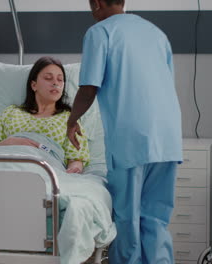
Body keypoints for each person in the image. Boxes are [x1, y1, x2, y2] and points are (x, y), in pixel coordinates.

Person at [66, 0, 183, 263]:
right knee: (155, 218)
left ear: (96, 3)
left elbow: (88, 88)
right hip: (167, 135)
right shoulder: (156, 33)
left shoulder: (100, 32)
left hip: (132, 138)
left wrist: (71, 120)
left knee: (127, 218)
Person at [0, 56, 90, 173]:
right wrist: (11, 142)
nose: (55, 83)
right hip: (5, 168)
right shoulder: (11, 113)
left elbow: (76, 157)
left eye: (60, 80)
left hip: (45, 170)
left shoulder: (69, 119)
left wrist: (73, 170)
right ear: (34, 85)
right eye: (48, 78)